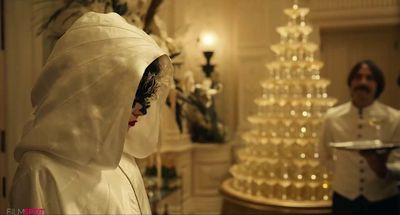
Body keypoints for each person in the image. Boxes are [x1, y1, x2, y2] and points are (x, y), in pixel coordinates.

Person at [10, 12, 173, 214]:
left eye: (144, 98)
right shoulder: (37, 171)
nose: (141, 110)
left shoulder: (122, 158)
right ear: (98, 90)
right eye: (133, 96)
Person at [319, 59, 400, 215]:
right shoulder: (332, 117)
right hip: (344, 198)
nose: (362, 82)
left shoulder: (395, 118)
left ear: (378, 85)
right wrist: (345, 174)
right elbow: (324, 154)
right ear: (350, 82)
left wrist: (384, 170)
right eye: (358, 77)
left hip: (383, 200)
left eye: (369, 78)